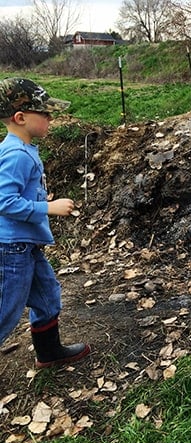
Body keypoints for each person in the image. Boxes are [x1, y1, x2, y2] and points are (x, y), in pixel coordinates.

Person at [0, 77, 90, 368]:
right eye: (45, 113)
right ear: (21, 117)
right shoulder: (16, 155)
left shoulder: (22, 150)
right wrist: (47, 207)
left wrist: (39, 197)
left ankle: (49, 352)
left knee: (48, 296)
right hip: (11, 250)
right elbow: (3, 201)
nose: (51, 117)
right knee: (5, 311)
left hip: (27, 246)